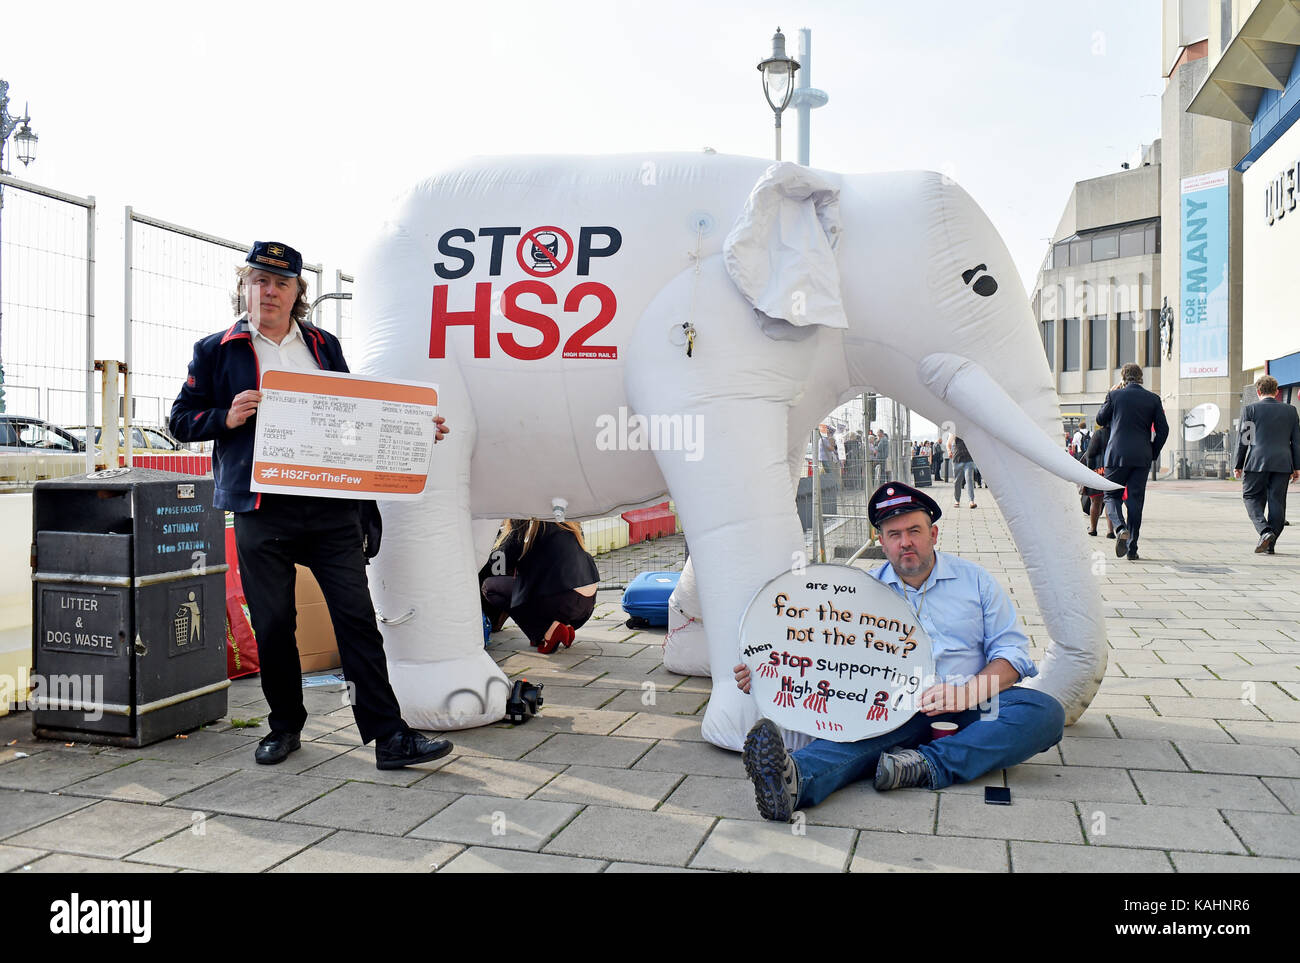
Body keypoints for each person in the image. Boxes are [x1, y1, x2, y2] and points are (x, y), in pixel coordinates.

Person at [170, 241, 453, 769]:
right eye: (259, 280)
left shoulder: (323, 345)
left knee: (357, 620)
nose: (269, 291)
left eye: (281, 282)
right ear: (245, 286)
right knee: (275, 625)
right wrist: (224, 418)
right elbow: (180, 420)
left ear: (298, 292)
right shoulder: (216, 349)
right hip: (261, 509)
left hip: (329, 510)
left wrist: (413, 431)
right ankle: (285, 727)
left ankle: (389, 737)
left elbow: (355, 418)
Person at [735, 482, 1065, 821]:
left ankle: (924, 764)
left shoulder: (975, 581)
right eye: (893, 534)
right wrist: (767, 670)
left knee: (1043, 712)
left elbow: (1013, 654)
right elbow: (826, 660)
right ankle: (794, 782)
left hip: (969, 704)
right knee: (849, 739)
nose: (905, 542)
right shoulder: (859, 594)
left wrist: (967, 693)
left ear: (933, 534)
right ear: (882, 541)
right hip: (891, 710)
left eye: (914, 531)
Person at [481, 518, 600, 652]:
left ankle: (547, 630)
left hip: (561, 601)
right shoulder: (569, 521)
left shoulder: (526, 521)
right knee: (537, 588)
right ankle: (558, 628)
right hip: (585, 607)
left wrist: (498, 541)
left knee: (489, 587)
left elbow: (501, 561)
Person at [1096, 362, 1169, 562]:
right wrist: (1152, 452)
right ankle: (1132, 548)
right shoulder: (1153, 399)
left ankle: (1120, 528)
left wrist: (1108, 396)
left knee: (1111, 495)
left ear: (1123, 377)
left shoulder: (1115, 395)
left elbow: (1101, 419)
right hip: (1141, 456)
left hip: (1116, 455)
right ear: (1141, 377)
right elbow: (1164, 430)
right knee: (1135, 502)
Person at [1233, 375, 1300, 554]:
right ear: (1277, 392)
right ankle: (1271, 544)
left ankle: (1265, 531)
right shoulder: (1291, 411)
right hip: (1283, 463)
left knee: (1250, 497)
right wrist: (1297, 467)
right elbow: (1297, 441)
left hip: (1256, 461)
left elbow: (1244, 440)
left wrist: (1238, 464)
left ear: (1258, 391)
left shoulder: (1250, 410)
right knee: (1277, 501)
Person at [1082, 423, 1113, 538]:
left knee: (1096, 501)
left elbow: (1090, 453)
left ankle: (1093, 529)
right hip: (1113, 472)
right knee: (1111, 501)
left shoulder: (1099, 433)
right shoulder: (1118, 431)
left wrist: (1089, 472)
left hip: (1098, 471)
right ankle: (1110, 531)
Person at [949, 435, 977, 508]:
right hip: (957, 461)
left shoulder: (968, 432)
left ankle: (971, 501)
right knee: (957, 482)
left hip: (969, 460)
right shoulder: (953, 433)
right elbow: (948, 444)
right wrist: (949, 451)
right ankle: (957, 500)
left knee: (969, 480)